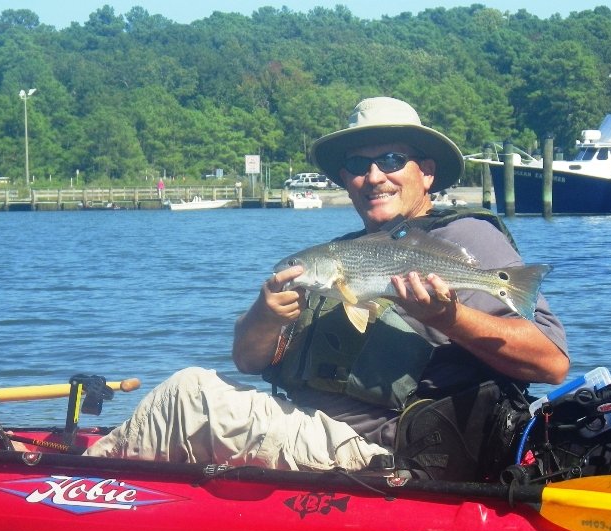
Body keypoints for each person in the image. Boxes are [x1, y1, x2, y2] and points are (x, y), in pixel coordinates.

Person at [85, 97, 569, 480]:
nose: (374, 176)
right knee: (197, 395)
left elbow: (550, 363)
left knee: (186, 395)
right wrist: (265, 313)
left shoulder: (462, 238)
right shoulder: (336, 255)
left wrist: (449, 317)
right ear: (344, 178)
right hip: (314, 434)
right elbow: (249, 362)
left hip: (383, 459)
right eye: (358, 164)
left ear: (427, 171)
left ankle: (74, 482)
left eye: (393, 159)